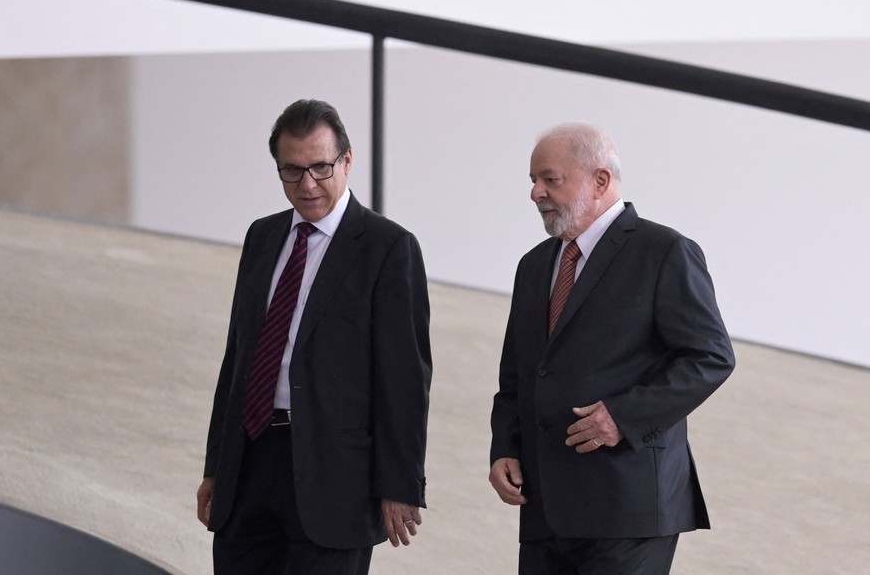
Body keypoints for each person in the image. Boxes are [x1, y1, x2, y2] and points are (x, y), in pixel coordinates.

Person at [196, 99, 432, 575]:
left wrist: (400, 483)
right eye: (292, 171)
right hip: (249, 463)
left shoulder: (388, 248)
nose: (307, 185)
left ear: (347, 160)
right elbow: (237, 360)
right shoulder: (262, 237)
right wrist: (216, 466)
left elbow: (404, 378)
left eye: (321, 168)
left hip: (334, 478)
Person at [489, 123, 735, 575]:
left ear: (600, 180)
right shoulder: (534, 265)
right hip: (545, 509)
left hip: (630, 506)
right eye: (532, 180)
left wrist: (623, 416)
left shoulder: (665, 251)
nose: (535, 193)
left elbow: (711, 357)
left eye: (550, 179)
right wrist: (504, 446)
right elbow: (519, 375)